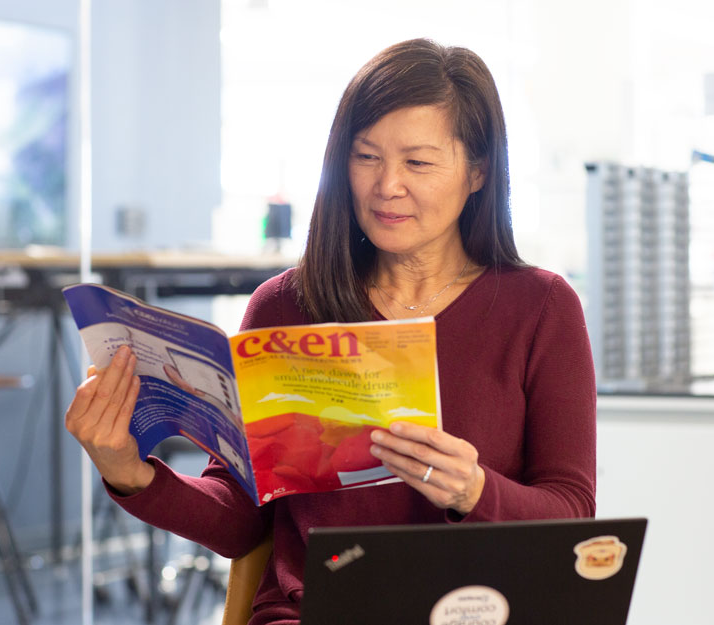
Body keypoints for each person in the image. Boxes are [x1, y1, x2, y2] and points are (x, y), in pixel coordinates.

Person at [65, 38, 596, 624]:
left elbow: (572, 513)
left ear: (477, 172)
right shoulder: (285, 306)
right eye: (366, 157)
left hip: (473, 611)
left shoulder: (541, 307)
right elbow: (243, 522)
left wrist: (472, 489)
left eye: (417, 162)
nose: (386, 185)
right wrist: (130, 472)